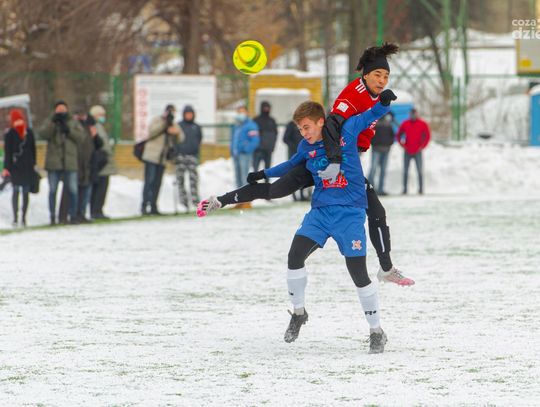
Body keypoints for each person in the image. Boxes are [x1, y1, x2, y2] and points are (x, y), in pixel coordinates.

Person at [198, 43, 414, 286]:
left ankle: (386, 269)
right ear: (365, 75)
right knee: (275, 190)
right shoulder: (352, 96)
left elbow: (369, 116)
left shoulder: (373, 93)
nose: (382, 80)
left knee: (377, 212)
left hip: (343, 165)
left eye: (386, 76)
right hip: (328, 162)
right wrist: (333, 162)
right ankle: (220, 200)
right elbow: (332, 126)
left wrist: (382, 105)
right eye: (377, 74)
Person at [267, 100, 390, 352]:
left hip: (350, 214)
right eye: (300, 129)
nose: (304, 133)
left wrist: (384, 102)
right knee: (294, 256)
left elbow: (370, 115)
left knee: (359, 274)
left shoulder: (347, 131)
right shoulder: (306, 147)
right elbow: (290, 165)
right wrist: (263, 174)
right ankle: (299, 313)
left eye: (307, 127)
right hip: (320, 213)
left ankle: (376, 331)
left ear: (321, 121)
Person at [39, 100, 85, 225]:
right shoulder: (50, 121)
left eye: (63, 109)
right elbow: (43, 134)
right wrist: (53, 123)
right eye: (59, 109)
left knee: (73, 190)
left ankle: (73, 215)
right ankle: (52, 216)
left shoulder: (73, 122)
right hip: (54, 162)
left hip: (70, 162)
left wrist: (68, 130)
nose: (61, 112)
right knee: (53, 190)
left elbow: (81, 137)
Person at [141, 104, 183, 215]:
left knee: (157, 183)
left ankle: (154, 206)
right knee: (149, 181)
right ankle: (144, 206)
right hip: (151, 156)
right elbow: (151, 132)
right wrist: (164, 124)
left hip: (162, 158)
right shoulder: (157, 120)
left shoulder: (173, 124)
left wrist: (176, 132)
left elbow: (181, 138)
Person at [2, 109, 36, 227]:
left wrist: (33, 163)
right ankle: (17, 217)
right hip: (17, 167)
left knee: (23, 192)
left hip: (24, 167)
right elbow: (8, 152)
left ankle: (22, 218)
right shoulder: (11, 134)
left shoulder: (28, 132)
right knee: (18, 191)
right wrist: (7, 167)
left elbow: (32, 149)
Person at [89, 105, 117, 220]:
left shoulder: (99, 126)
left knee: (101, 188)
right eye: (101, 115)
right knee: (99, 188)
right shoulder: (95, 127)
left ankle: (98, 210)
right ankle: (96, 211)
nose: (103, 117)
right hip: (101, 161)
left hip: (103, 162)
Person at [396, 108, 431, 195]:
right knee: (405, 171)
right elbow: (398, 134)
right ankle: (404, 189)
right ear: (410, 114)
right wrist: (402, 145)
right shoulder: (405, 123)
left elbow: (427, 136)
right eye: (411, 114)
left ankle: (421, 189)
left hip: (418, 151)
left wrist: (423, 146)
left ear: (417, 114)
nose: (413, 115)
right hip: (407, 151)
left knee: (419, 171)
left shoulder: (422, 124)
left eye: (414, 114)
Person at [175, 105, 203, 211]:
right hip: (180, 156)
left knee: (193, 179)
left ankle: (195, 201)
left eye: (190, 114)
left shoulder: (197, 127)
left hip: (192, 156)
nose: (189, 115)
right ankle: (183, 202)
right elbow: (174, 140)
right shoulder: (179, 126)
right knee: (180, 179)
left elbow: (199, 139)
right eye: (187, 114)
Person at [230, 105, 259, 189]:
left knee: (244, 177)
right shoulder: (236, 125)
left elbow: (255, 140)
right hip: (236, 154)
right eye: (239, 112)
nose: (240, 114)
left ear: (247, 113)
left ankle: (246, 195)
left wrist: (246, 149)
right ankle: (238, 195)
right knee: (237, 177)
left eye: (242, 112)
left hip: (244, 155)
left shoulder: (251, 125)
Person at [368, 112, 395, 195]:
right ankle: (370, 189)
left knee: (383, 170)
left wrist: (389, 144)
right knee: (373, 169)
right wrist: (374, 144)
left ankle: (381, 189)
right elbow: (370, 135)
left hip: (386, 150)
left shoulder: (388, 124)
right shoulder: (374, 123)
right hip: (376, 149)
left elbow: (392, 136)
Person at [283, 119, 310, 201]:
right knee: (293, 175)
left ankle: (302, 195)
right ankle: (294, 196)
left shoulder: (305, 124)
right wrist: (295, 147)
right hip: (293, 154)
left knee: (303, 175)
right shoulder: (291, 124)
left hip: (303, 153)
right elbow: (285, 139)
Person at [252, 101, 278, 177]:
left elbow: (275, 134)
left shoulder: (272, 121)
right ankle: (254, 183)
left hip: (268, 150)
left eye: (268, 108)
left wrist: (272, 147)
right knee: (255, 171)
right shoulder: (256, 120)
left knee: (268, 172)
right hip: (257, 150)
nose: (266, 109)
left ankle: (267, 184)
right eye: (265, 107)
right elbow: (252, 135)